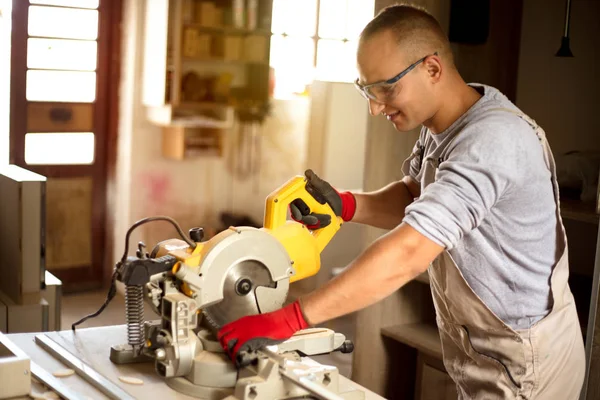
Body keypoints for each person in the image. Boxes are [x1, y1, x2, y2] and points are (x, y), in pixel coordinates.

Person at [217, 4, 585, 399]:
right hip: (483, 351)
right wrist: (345, 205)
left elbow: (410, 251)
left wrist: (290, 318)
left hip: (525, 365)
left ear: (432, 68)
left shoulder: (491, 140)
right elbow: (414, 194)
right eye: (367, 90)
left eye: (387, 89)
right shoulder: (444, 125)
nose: (376, 107)